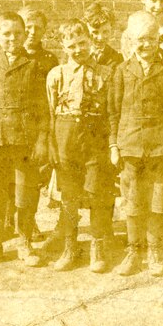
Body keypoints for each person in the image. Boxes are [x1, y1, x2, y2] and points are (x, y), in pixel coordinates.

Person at [0, 12, 50, 267]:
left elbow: (43, 107)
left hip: (24, 139)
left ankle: (25, 243)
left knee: (25, 193)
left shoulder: (34, 65)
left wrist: (40, 140)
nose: (12, 38)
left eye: (17, 33)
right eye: (6, 34)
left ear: (25, 35)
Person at [108, 11, 163, 277]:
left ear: (158, 40)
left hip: (159, 147)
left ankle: (155, 250)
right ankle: (133, 250)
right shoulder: (122, 70)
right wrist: (114, 145)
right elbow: (113, 111)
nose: (146, 45)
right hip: (130, 146)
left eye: (151, 39)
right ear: (130, 40)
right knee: (132, 200)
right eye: (140, 39)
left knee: (156, 201)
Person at [46, 20, 116, 273]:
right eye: (72, 45)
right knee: (70, 195)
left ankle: (99, 248)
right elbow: (50, 112)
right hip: (65, 137)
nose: (78, 50)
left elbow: (111, 112)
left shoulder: (106, 73)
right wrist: (53, 146)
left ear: (90, 40)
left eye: (82, 43)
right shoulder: (56, 74)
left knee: (97, 193)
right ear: (64, 46)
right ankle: (70, 247)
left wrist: (111, 145)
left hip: (95, 138)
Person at [17, 5, 59, 242]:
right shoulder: (10, 55)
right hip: (13, 125)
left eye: (37, 28)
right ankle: (9, 222)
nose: (32, 32)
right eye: (28, 27)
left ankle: (28, 221)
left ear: (44, 31)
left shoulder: (49, 59)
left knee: (33, 178)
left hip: (38, 125)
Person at [83, 2, 124, 68]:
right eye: (95, 32)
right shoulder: (79, 55)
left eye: (105, 32)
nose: (100, 37)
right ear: (86, 30)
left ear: (111, 29)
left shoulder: (117, 59)